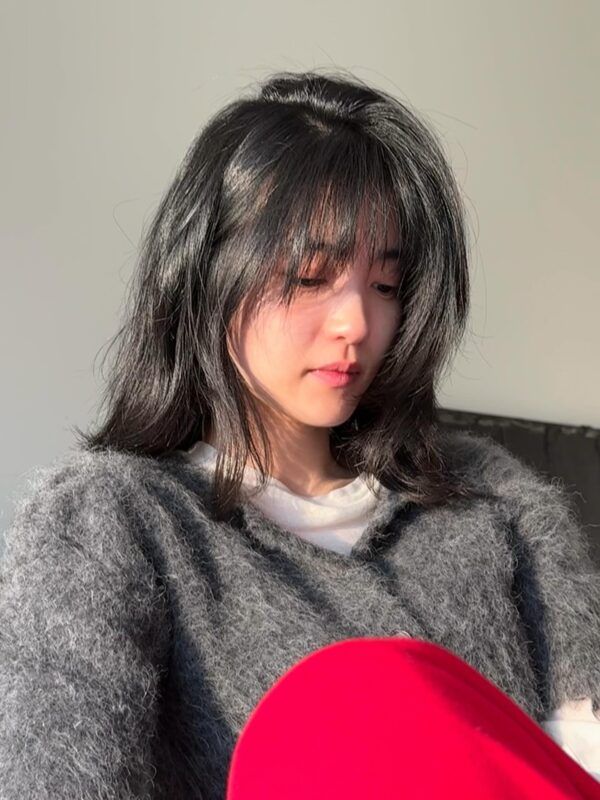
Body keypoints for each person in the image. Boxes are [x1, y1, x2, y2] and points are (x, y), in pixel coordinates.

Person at [0, 69, 598, 799]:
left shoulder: (495, 501)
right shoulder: (109, 524)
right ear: (209, 272)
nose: (357, 323)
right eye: (311, 276)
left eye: (385, 286)